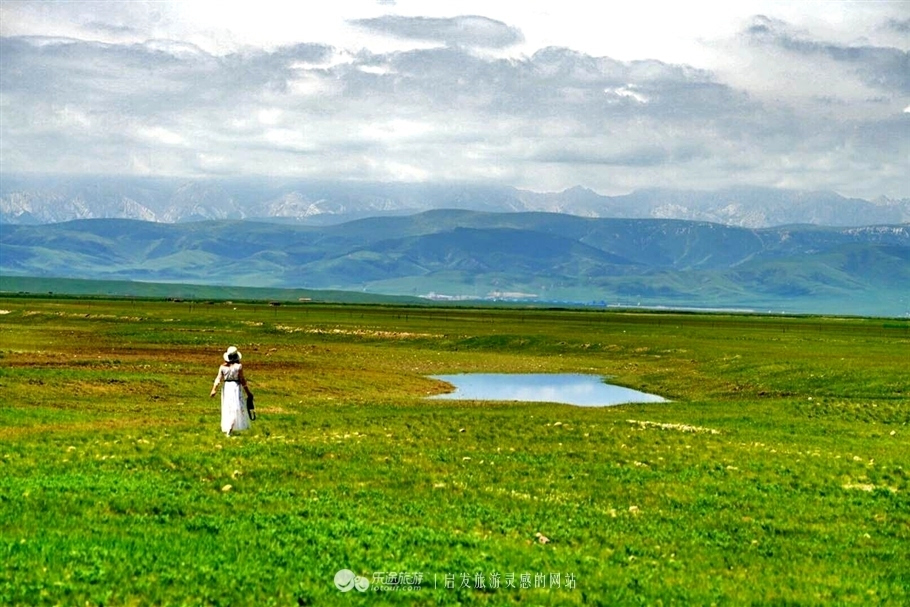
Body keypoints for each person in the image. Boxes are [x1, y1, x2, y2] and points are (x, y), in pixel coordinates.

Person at [210, 346, 253, 436]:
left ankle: (230, 427)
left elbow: (218, 379)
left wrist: (214, 389)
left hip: (227, 387)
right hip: (235, 387)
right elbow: (242, 380)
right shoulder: (238, 367)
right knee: (236, 408)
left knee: (229, 407)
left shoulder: (222, 367)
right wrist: (248, 392)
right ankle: (230, 428)